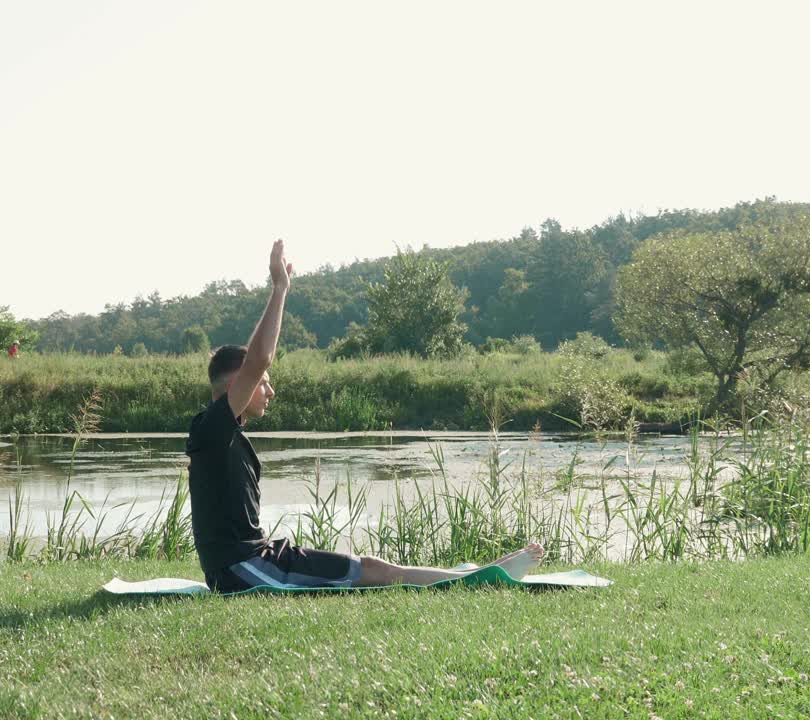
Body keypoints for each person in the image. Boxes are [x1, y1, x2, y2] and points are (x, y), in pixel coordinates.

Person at [185, 239, 544, 593]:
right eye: (263, 384)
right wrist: (280, 288)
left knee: (375, 567)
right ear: (237, 385)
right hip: (243, 569)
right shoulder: (212, 429)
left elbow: (254, 364)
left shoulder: (225, 433)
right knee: (379, 572)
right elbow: (258, 359)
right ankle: (480, 580)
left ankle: (480, 575)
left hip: (257, 558)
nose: (270, 391)